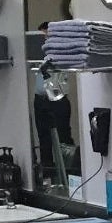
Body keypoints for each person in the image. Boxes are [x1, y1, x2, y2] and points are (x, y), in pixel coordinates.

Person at [31, 21, 75, 183]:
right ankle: (48, 178)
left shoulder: (61, 51)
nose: (44, 39)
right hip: (40, 99)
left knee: (64, 139)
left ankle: (70, 176)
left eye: (46, 35)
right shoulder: (37, 53)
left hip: (58, 98)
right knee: (44, 139)